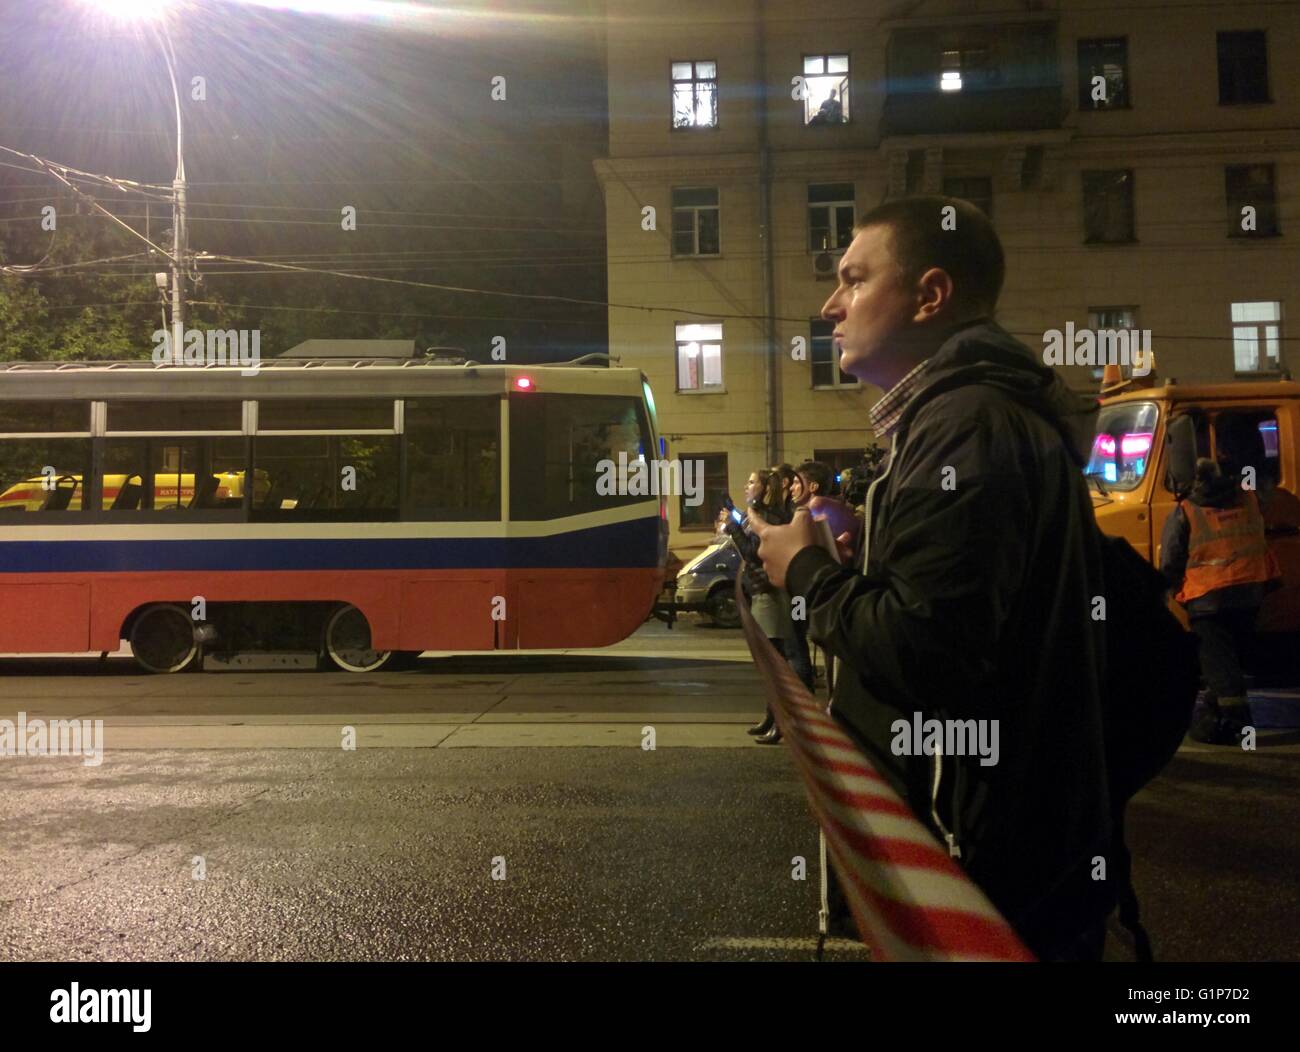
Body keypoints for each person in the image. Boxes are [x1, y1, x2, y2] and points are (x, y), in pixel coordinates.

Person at [748, 195, 1112, 961]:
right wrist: (863, 560)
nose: (830, 304)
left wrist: (804, 570)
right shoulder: (976, 415)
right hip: (1009, 849)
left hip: (976, 867)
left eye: (853, 278)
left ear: (930, 295)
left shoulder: (965, 424)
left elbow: (926, 649)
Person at [1160, 456, 1280, 745]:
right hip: (1250, 592)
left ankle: (1241, 728)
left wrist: (1178, 590)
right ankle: (1213, 723)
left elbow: (1170, 560)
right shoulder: (1249, 500)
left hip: (1206, 598)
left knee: (1221, 668)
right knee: (1228, 662)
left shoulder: (1186, 510)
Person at [741, 469, 797, 744]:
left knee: (775, 661)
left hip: (771, 595)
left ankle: (782, 722)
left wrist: (733, 529)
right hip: (761, 592)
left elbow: (753, 553)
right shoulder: (765, 513)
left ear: (764, 488)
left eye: (751, 482)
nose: (746, 486)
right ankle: (771, 715)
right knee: (769, 661)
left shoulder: (769, 516)